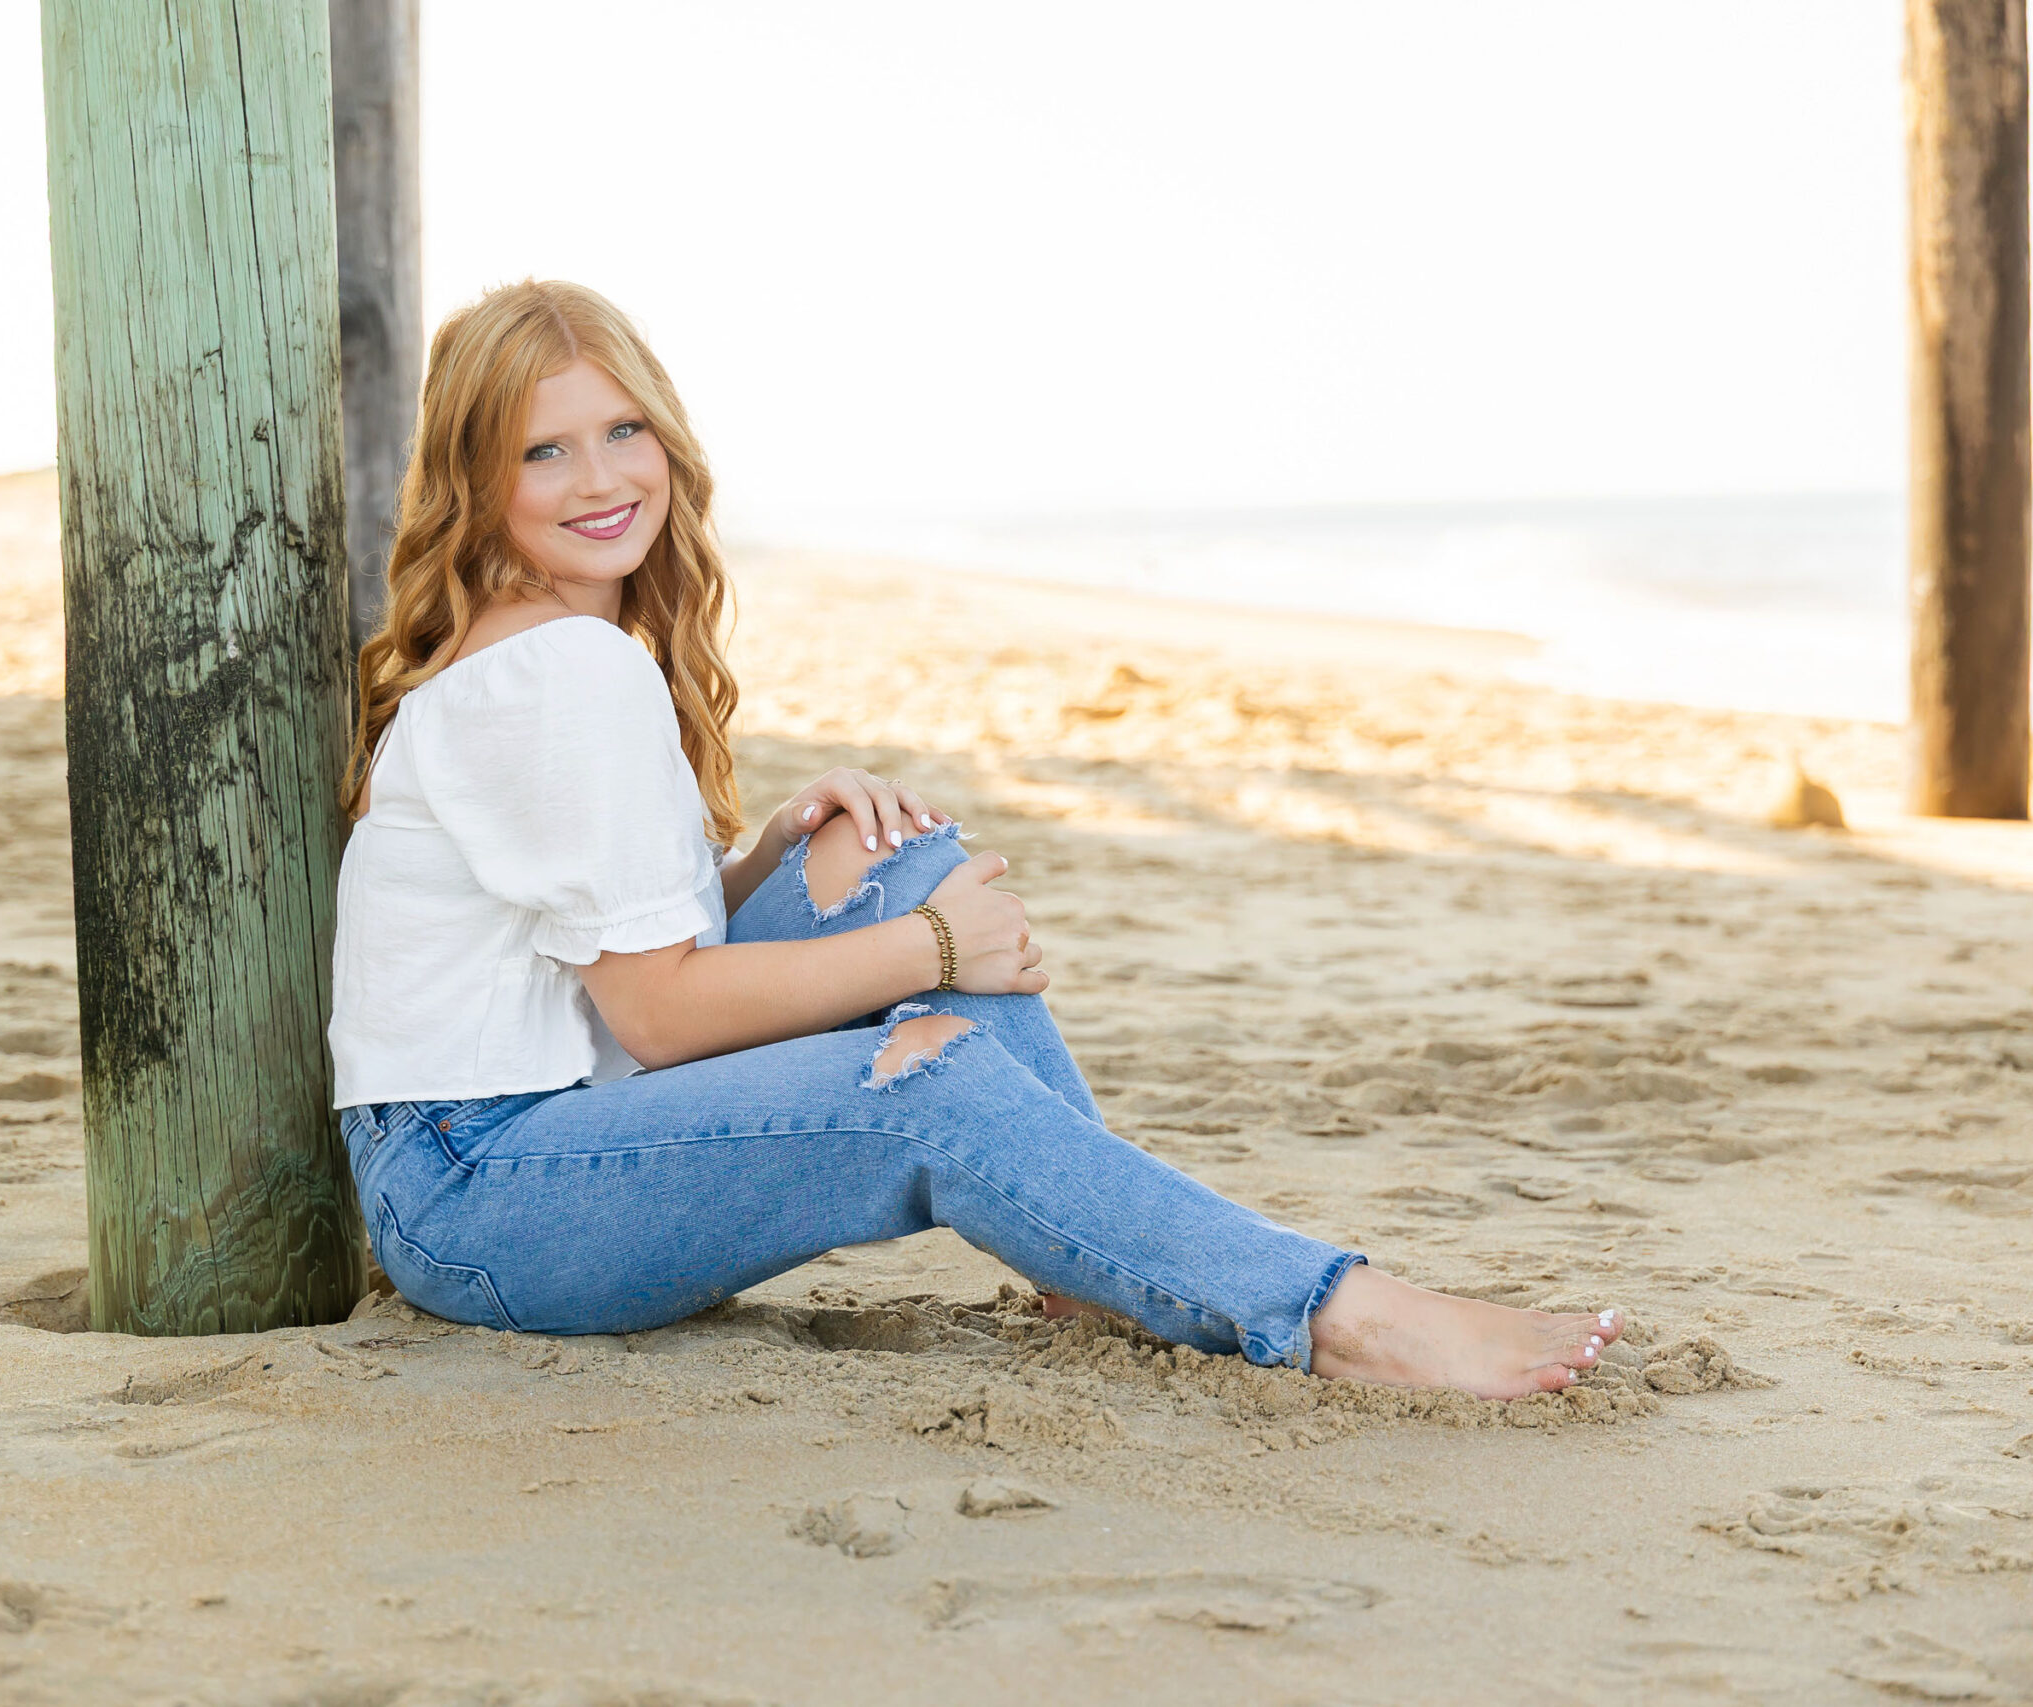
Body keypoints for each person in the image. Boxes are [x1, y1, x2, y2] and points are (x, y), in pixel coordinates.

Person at [328, 279, 1624, 1398]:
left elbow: (582, 949)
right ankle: (1341, 1317)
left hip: (511, 1145)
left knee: (891, 852)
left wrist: (780, 849)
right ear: (476, 480)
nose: (603, 477)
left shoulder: (558, 651)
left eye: (622, 430)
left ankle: (1095, 1264)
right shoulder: (561, 673)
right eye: (546, 451)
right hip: (482, 1192)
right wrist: (932, 947)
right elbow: (658, 1015)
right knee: (927, 1069)